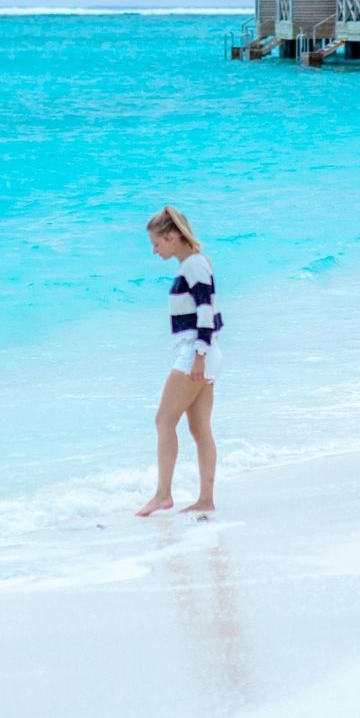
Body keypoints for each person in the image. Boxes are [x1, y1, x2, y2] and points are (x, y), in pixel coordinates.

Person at [136, 206, 222, 517]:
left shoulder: (194, 265)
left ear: (172, 236)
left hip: (195, 352)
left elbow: (206, 311)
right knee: (199, 428)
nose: (154, 250)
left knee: (163, 421)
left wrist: (199, 355)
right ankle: (205, 499)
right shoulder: (193, 264)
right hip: (204, 351)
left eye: (157, 243)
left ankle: (163, 495)